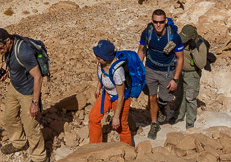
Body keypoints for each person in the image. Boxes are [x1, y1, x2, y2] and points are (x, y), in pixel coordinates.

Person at [0, 28, 47, 162]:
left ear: (8, 41)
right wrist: (4, 69)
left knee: (30, 125)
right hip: (14, 87)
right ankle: (19, 142)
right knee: (9, 117)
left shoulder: (24, 52)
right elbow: (8, 58)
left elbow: (38, 77)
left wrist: (35, 102)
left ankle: (40, 157)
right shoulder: (9, 47)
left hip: (28, 92)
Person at [138, 9, 184, 139]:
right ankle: (154, 123)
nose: (158, 25)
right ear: (152, 21)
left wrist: (175, 79)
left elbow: (180, 58)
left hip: (167, 72)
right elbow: (141, 50)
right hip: (150, 69)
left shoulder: (173, 37)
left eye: (161, 22)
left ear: (166, 21)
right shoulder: (147, 33)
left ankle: (162, 107)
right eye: (155, 22)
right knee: (152, 97)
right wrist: (138, 69)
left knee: (165, 98)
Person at [89, 40, 133, 145]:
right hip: (107, 94)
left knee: (121, 125)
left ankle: (127, 149)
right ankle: (95, 146)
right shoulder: (102, 63)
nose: (97, 60)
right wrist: (98, 87)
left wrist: (116, 117)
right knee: (93, 118)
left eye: (99, 58)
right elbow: (102, 75)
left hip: (119, 98)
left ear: (107, 58)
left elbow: (121, 96)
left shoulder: (117, 71)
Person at [174, 25, 209, 129]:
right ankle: (178, 116)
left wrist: (193, 50)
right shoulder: (180, 40)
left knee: (190, 98)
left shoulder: (200, 45)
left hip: (192, 74)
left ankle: (190, 121)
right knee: (180, 95)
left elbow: (201, 64)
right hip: (180, 72)